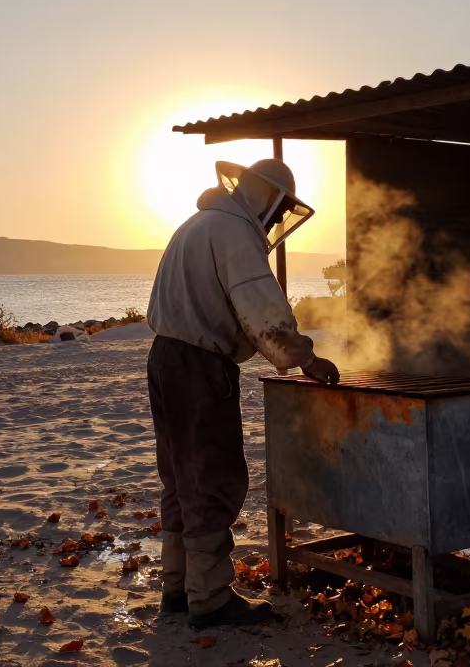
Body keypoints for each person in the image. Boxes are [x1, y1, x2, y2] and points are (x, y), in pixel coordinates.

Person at [146, 158, 341, 629]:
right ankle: (210, 598)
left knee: (179, 476)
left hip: (164, 359)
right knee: (211, 476)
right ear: (265, 196)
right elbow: (261, 308)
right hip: (199, 367)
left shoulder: (196, 224)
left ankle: (179, 588)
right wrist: (305, 358)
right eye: (277, 210)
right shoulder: (235, 233)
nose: (276, 221)